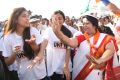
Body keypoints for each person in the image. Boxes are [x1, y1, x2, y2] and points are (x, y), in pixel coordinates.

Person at [52, 15, 117, 80]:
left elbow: (111, 50)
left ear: (94, 25)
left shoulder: (104, 37)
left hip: (95, 74)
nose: (84, 25)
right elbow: (69, 42)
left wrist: (100, 60)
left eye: (87, 23)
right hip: (78, 73)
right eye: (83, 23)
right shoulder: (82, 37)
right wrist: (58, 33)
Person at [2, 7, 47, 80]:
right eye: (24, 16)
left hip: (41, 75)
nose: (27, 18)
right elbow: (7, 62)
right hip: (24, 76)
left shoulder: (33, 31)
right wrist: (14, 53)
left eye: (28, 16)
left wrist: (33, 45)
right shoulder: (8, 38)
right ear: (15, 19)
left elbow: (40, 53)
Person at [28, 10, 72, 80]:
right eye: (55, 19)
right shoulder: (48, 31)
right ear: (51, 20)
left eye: (60, 18)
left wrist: (66, 66)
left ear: (63, 20)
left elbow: (68, 50)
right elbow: (43, 45)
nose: (57, 21)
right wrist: (38, 57)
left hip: (64, 68)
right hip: (52, 67)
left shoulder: (68, 33)